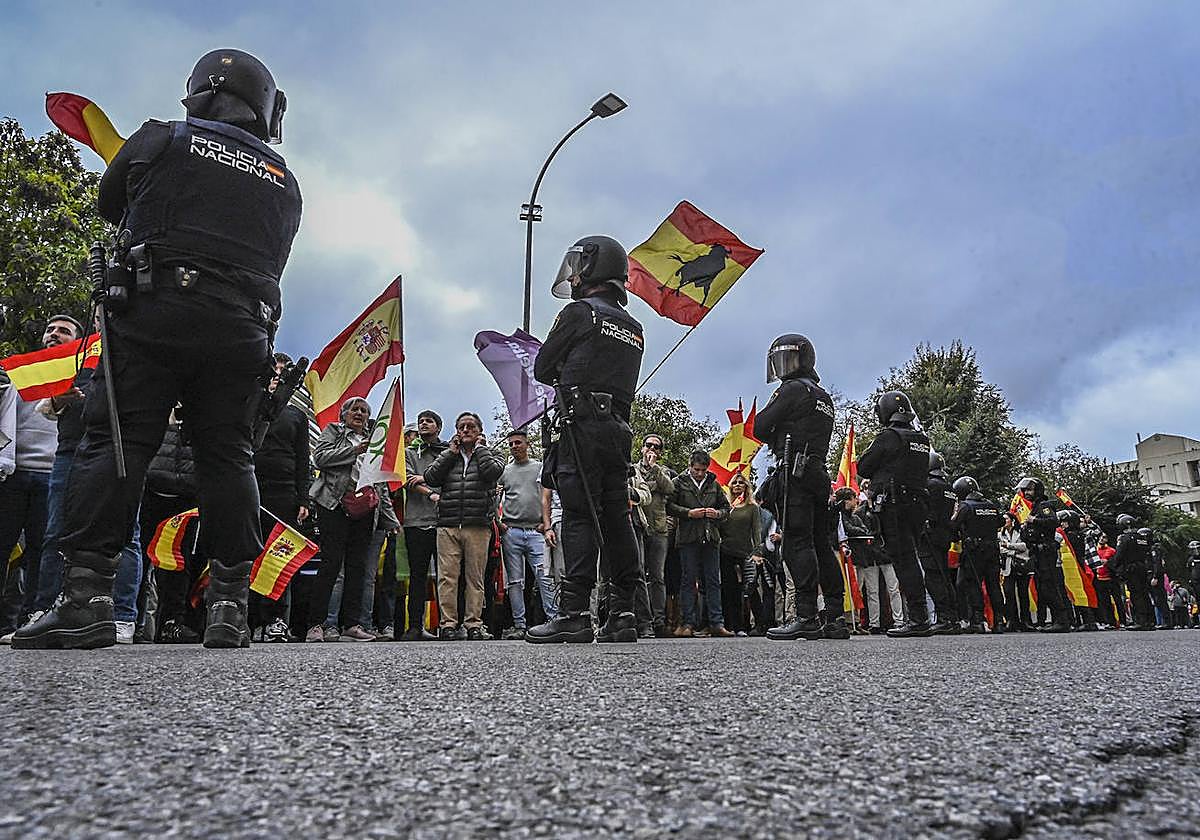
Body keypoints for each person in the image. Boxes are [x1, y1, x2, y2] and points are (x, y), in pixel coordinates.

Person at [15, 49, 302, 650]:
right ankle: (228, 607)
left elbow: (109, 200)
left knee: (115, 441)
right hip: (243, 327)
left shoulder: (163, 137)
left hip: (155, 311)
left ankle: (85, 599)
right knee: (230, 457)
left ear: (200, 92)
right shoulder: (284, 180)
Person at [526, 235, 644, 645]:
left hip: (580, 427)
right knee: (616, 516)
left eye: (578, 265)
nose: (572, 275)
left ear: (592, 268)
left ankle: (574, 612)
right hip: (619, 430)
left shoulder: (580, 313)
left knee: (578, 514)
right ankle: (624, 612)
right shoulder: (633, 326)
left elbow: (543, 367)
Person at [754, 334, 846, 642]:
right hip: (818, 472)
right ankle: (835, 616)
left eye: (786, 359)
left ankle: (806, 615)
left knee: (797, 542)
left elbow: (760, 426)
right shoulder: (823, 396)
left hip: (794, 470)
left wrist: (778, 432)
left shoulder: (792, 389)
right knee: (821, 544)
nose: (782, 367)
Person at [0, 316, 82, 640]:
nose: (54, 334)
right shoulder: (22, 375)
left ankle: (29, 620)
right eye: (50, 329)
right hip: (13, 474)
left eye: (64, 331)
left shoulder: (82, 374)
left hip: (53, 476)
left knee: (43, 550)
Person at [306, 398, 398, 642]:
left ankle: (352, 624)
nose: (360, 413)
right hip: (334, 505)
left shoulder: (375, 442)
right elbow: (320, 458)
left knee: (358, 567)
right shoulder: (333, 431)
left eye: (364, 411)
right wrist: (354, 451)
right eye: (355, 409)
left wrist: (390, 519)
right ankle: (316, 625)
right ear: (344, 414)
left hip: (365, 509)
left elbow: (381, 484)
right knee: (331, 564)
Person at [857, 391, 932, 638]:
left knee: (903, 560)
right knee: (911, 558)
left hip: (894, 504)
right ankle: (919, 616)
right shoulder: (921, 438)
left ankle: (918, 619)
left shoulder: (889, 436)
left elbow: (864, 466)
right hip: (916, 504)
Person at [424, 411, 504, 641]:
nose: (466, 430)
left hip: (478, 524)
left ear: (480, 431)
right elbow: (431, 477)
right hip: (448, 524)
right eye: (461, 427)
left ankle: (473, 624)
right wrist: (450, 454)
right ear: (456, 432)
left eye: (471, 426)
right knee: (447, 577)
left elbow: (492, 472)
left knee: (474, 577)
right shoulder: (449, 455)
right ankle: (448, 624)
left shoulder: (491, 454)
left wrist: (480, 449)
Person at [250, 352, 311, 642]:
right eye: (275, 374)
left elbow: (303, 460)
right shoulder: (249, 406)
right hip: (249, 487)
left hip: (284, 492)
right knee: (245, 551)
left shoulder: (296, 416)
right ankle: (245, 618)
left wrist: (303, 499)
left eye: (284, 374)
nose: (278, 378)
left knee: (277, 556)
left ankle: (274, 619)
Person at [498, 430, 557, 640]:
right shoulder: (504, 471)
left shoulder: (539, 468)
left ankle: (553, 619)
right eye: (511, 443)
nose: (514, 446)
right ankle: (519, 625)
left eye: (518, 442)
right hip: (511, 531)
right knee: (514, 581)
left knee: (545, 577)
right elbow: (496, 497)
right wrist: (499, 523)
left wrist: (546, 523)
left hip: (536, 531)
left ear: (526, 443)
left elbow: (548, 496)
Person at [667, 451, 732, 637]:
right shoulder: (679, 483)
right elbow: (669, 505)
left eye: (703, 470)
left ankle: (716, 623)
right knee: (688, 581)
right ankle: (687, 623)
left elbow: (726, 508)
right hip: (688, 538)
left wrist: (717, 514)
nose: (700, 474)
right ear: (690, 467)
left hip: (711, 538)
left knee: (713, 581)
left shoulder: (714, 484)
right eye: (696, 470)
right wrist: (688, 513)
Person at [398, 410, 446, 641]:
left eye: (429, 421)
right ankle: (415, 625)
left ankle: (448, 624)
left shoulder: (448, 453)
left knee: (446, 575)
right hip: (416, 521)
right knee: (418, 575)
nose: (424, 423)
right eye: (421, 421)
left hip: (443, 522)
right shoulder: (408, 452)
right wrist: (430, 494)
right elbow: (408, 479)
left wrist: (424, 478)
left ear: (438, 426)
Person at [949, 476, 1005, 633]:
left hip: (974, 552)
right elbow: (1000, 522)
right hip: (993, 550)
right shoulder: (991, 506)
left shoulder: (966, 507)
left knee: (974, 585)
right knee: (994, 585)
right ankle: (999, 621)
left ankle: (978, 620)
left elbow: (953, 526)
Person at [633, 434, 674, 636]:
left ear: (660, 452)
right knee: (638, 573)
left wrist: (654, 469)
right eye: (648, 445)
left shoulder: (663, 471)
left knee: (658, 576)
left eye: (656, 447)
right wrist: (651, 486)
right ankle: (643, 621)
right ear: (641, 448)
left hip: (658, 529)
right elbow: (639, 493)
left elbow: (669, 488)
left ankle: (659, 620)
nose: (651, 449)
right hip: (638, 526)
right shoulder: (632, 470)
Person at [719, 473, 766, 636]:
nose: (738, 485)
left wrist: (758, 552)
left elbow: (756, 531)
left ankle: (760, 625)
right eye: (735, 483)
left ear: (747, 487)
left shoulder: (752, 507)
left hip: (746, 553)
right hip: (725, 552)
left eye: (741, 483)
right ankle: (733, 626)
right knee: (729, 589)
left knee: (750, 589)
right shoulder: (726, 507)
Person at [921, 451, 960, 634]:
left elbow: (927, 512)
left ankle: (945, 618)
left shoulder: (930, 485)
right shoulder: (949, 487)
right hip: (944, 535)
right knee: (945, 577)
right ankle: (952, 617)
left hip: (930, 535)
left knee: (934, 578)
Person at [1109, 514, 1155, 630]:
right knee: (1144, 593)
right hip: (1142, 567)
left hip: (1131, 569)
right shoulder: (1142, 538)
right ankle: (1150, 621)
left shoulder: (1124, 538)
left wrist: (1113, 566)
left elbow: (1119, 555)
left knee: (1136, 594)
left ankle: (1141, 621)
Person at [999, 513, 1035, 631]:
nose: (1004, 521)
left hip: (1021, 566)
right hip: (1007, 567)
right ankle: (1011, 620)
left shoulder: (1021, 532)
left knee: (1023, 594)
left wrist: (1009, 546)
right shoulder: (1000, 534)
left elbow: (1025, 546)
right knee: (1009, 593)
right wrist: (1013, 551)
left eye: (1006, 519)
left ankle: (1025, 620)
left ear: (1013, 520)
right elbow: (1000, 549)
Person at [1092, 533, 1123, 628]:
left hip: (1111, 578)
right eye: (1100, 537)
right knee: (1105, 602)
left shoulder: (1111, 550)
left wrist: (1108, 562)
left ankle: (1122, 621)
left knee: (1118, 600)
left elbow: (1117, 563)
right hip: (1099, 579)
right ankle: (1110, 622)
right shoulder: (1094, 551)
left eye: (1104, 537)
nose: (1102, 539)